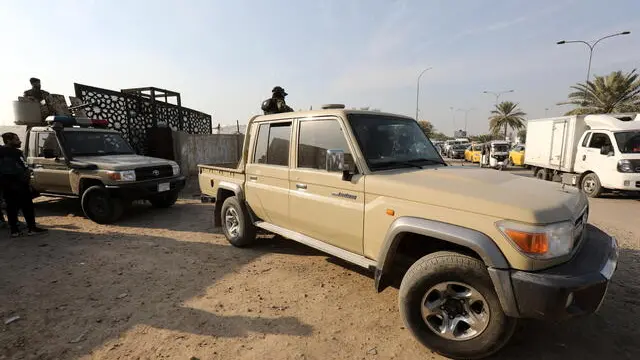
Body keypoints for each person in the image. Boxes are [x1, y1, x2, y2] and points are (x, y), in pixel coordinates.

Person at [0, 132, 47, 237]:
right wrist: (28, 181)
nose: (19, 141)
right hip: (19, 184)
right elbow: (25, 168)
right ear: (8, 141)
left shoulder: (1, 151)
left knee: (11, 208)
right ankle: (31, 228)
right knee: (27, 207)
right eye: (16, 139)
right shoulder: (17, 153)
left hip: (6, 184)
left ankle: (14, 231)